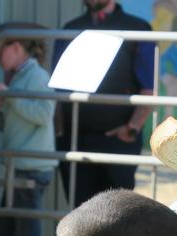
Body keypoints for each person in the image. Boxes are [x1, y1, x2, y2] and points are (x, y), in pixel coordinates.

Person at [52, 0, 155, 207]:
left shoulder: (137, 28)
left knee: (117, 216)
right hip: (75, 140)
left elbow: (149, 89)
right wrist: (60, 133)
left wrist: (131, 129)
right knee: (79, 216)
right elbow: (56, 88)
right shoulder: (71, 28)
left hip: (118, 140)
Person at [0, 22, 56, 236]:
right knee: (6, 232)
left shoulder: (37, 76)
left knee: (25, 234)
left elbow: (44, 113)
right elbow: (19, 121)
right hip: (21, 166)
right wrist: (5, 106)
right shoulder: (21, 76)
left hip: (31, 167)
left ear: (16, 47)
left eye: (0, 51)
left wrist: (9, 97)